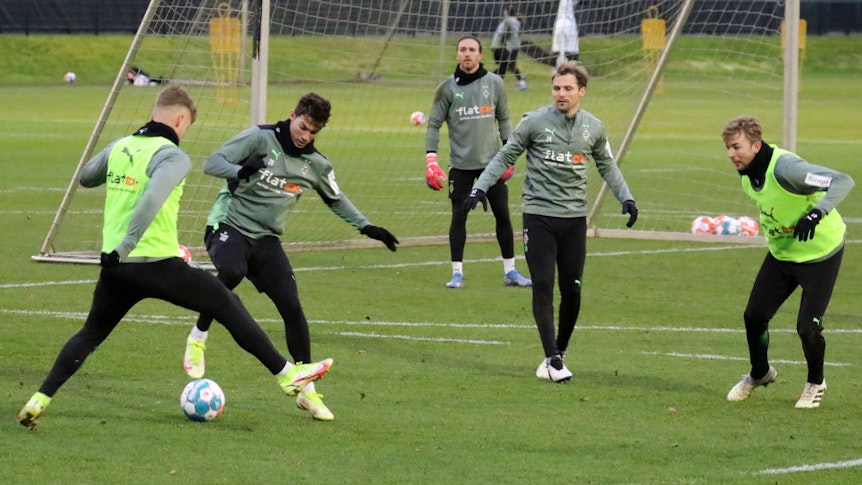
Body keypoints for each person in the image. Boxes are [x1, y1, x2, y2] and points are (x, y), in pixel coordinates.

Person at [17, 86, 332, 430]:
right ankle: (287, 375)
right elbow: (151, 200)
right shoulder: (173, 156)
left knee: (91, 333)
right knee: (227, 303)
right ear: (180, 119)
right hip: (157, 264)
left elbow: (87, 176)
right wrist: (126, 246)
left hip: (116, 269)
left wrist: (120, 151)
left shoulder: (123, 146)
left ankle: (40, 398)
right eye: (186, 127)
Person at [182, 92, 398, 421]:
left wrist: (367, 227)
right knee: (232, 271)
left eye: (313, 132)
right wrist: (241, 170)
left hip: (267, 239)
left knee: (292, 306)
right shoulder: (260, 137)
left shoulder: (316, 165)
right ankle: (198, 337)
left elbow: (336, 199)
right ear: (292, 114)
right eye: (302, 126)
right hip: (229, 225)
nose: (305, 136)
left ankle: (307, 393)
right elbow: (212, 163)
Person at [466, 61, 638, 382]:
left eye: (568, 88)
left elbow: (608, 166)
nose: (561, 94)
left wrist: (626, 198)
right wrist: (480, 188)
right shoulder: (533, 122)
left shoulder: (594, 128)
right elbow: (505, 156)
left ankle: (558, 352)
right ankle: (553, 359)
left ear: (581, 91)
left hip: (574, 220)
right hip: (539, 216)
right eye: (557, 88)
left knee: (572, 291)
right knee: (543, 283)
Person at [722, 116, 854, 409]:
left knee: (808, 328)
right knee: (754, 316)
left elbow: (842, 181)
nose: (731, 154)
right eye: (728, 148)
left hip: (821, 254)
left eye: (736, 147)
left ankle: (816, 382)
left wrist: (816, 213)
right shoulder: (748, 170)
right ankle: (760, 373)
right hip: (783, 254)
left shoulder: (786, 169)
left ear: (756, 145)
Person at [424, 34, 531, 289]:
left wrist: (509, 154)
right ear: (457, 55)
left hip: (491, 165)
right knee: (459, 216)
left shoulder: (494, 83)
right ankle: (457, 273)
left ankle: (510, 271)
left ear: (480, 55)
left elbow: (504, 118)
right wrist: (431, 159)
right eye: (463, 49)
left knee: (503, 215)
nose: (467, 54)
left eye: (472, 49)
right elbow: (434, 124)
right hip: (460, 166)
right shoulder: (447, 88)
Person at [491, 6, 528, 91]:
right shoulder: (516, 21)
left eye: (505, 11)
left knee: (508, 65)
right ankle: (493, 79)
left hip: (507, 46)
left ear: (507, 12)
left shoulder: (507, 21)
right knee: (506, 65)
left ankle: (522, 82)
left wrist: (502, 42)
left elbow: (505, 33)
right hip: (515, 45)